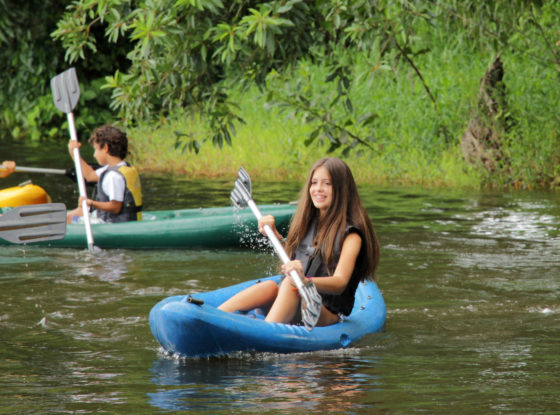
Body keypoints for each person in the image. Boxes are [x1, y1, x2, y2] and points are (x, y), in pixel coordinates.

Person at [218, 157, 380, 327]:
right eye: (314, 182)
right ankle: (213, 316)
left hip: (324, 313)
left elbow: (340, 283)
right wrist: (275, 235)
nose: (318, 189)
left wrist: (305, 280)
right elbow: (290, 262)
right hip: (298, 301)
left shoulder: (352, 236)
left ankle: (262, 333)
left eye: (327, 184)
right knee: (269, 287)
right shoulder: (309, 223)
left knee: (290, 285)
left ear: (342, 189)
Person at [66, 125, 142, 224]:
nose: (94, 154)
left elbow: (115, 207)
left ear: (105, 148)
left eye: (96, 149)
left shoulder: (114, 176)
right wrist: (74, 154)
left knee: (67, 219)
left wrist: (91, 203)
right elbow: (90, 175)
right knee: (72, 214)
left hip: (112, 223)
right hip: (117, 219)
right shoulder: (121, 167)